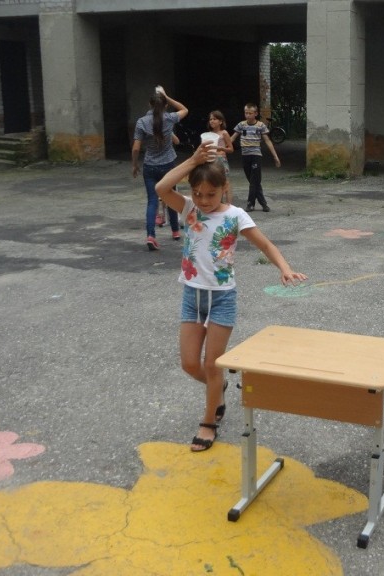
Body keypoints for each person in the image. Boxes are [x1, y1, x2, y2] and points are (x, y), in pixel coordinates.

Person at [155, 142, 307, 452]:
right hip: (192, 295)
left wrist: (285, 268)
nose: (203, 200)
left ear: (224, 188)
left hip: (222, 297)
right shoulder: (188, 209)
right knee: (190, 364)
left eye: (211, 194)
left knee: (212, 364)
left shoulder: (236, 216)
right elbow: (161, 187)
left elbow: (265, 245)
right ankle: (219, 386)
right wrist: (193, 160)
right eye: (198, 193)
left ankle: (209, 421)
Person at [132, 87, 187, 249]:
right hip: (168, 165)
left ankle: (151, 236)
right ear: (166, 105)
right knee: (171, 197)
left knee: (152, 201)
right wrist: (167, 96)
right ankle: (175, 231)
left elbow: (136, 148)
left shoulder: (141, 122)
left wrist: (135, 164)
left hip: (150, 166)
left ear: (149, 104)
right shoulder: (169, 118)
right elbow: (184, 109)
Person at [231, 103, 280, 212]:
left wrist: (275, 156)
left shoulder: (261, 126)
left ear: (256, 113)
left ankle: (250, 204)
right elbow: (232, 138)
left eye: (250, 113)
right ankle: (263, 203)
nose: (248, 115)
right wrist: (221, 147)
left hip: (256, 155)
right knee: (254, 181)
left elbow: (267, 141)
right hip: (245, 156)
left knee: (254, 181)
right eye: (246, 113)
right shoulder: (241, 125)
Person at [207, 110, 234, 205]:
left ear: (221, 121)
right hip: (211, 160)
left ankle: (229, 205)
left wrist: (221, 148)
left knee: (225, 182)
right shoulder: (209, 134)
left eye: (214, 119)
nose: (212, 121)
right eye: (210, 119)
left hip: (222, 160)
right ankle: (218, 203)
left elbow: (231, 149)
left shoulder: (224, 133)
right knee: (214, 182)